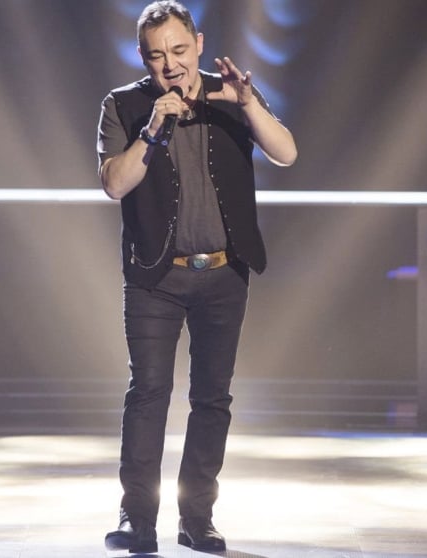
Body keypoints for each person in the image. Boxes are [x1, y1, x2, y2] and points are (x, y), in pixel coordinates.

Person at [96, 1, 297, 553]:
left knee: (212, 398)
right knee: (148, 394)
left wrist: (248, 102)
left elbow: (286, 152)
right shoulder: (124, 105)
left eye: (180, 50)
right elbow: (114, 183)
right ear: (143, 57)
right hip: (155, 277)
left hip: (224, 275)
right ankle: (138, 519)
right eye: (157, 55)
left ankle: (197, 517)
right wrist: (152, 130)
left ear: (199, 44)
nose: (171, 65)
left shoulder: (231, 94)